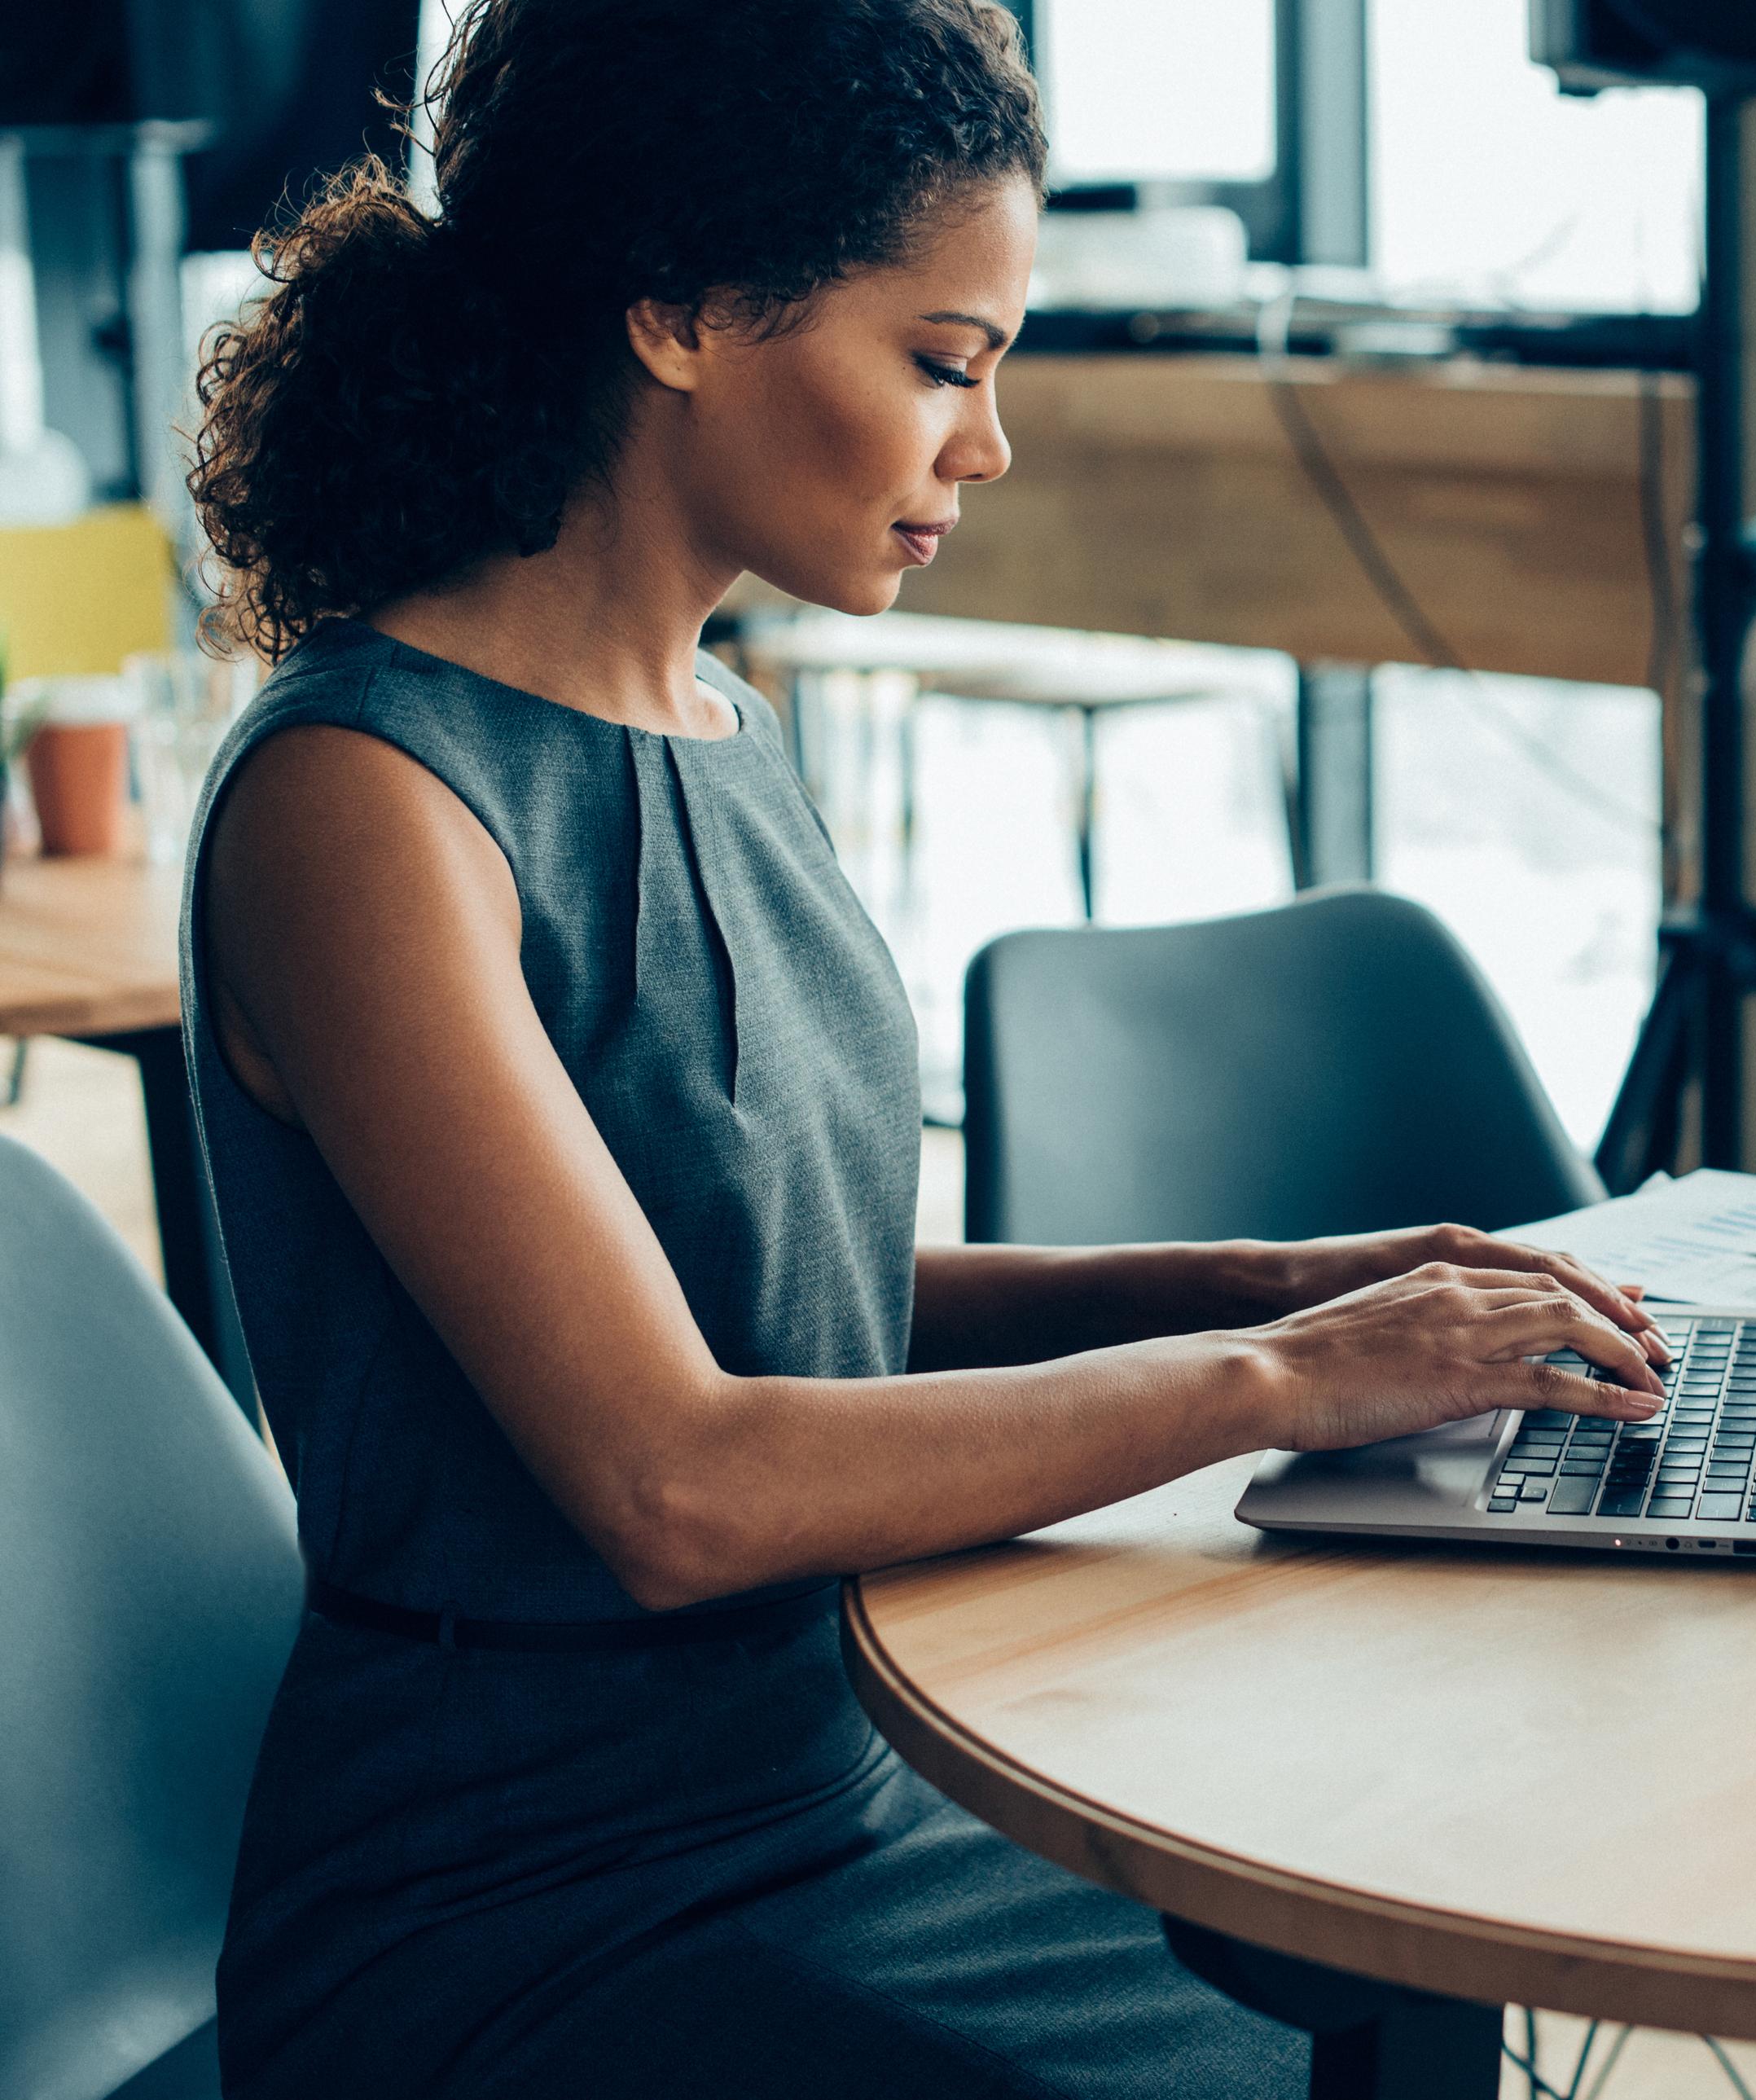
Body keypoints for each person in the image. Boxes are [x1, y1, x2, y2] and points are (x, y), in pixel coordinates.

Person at [182, 2, 1670, 2092]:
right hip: (522, 1899)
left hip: (848, 1771)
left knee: (1391, 1954)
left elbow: (776, 1288)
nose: (984, 444)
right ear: (687, 307)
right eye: (941, 362)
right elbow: (671, 1473)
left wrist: (1270, 1284)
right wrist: (1275, 1380)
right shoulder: (365, 805)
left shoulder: (725, 726)